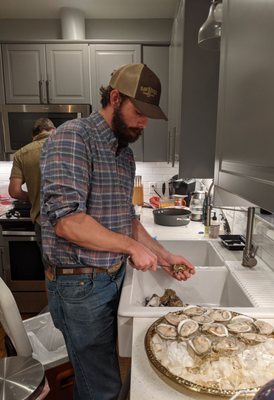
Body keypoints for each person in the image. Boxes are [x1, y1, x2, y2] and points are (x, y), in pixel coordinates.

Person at [40, 63, 195, 400]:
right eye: (139, 111)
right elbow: (68, 221)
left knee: (112, 372)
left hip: (110, 280)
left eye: (149, 115)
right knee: (102, 388)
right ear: (114, 98)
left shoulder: (124, 156)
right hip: (79, 286)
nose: (144, 122)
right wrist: (129, 247)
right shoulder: (73, 137)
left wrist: (163, 256)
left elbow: (127, 220)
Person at [8, 117, 55, 250]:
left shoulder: (21, 154)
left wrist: (34, 197)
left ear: (33, 135)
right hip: (73, 223)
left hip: (43, 223)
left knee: (49, 269)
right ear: (54, 130)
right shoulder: (69, 146)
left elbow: (14, 191)